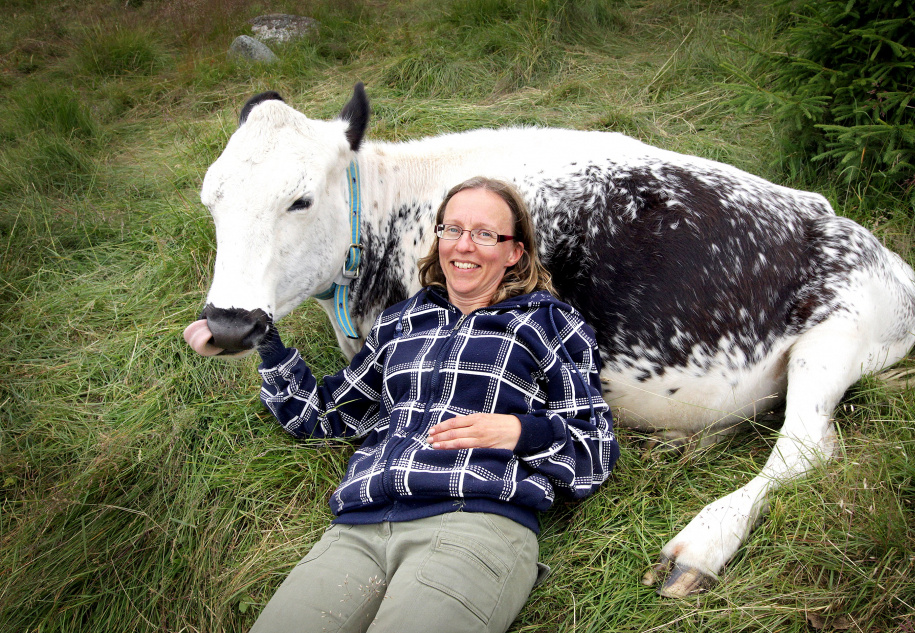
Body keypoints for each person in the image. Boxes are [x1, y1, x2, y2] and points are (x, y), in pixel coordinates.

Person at [183, 177, 619, 633]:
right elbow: (327, 414)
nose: (463, 245)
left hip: (474, 523)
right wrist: (265, 343)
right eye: (452, 229)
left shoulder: (550, 323)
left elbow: (595, 449)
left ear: (515, 252)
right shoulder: (402, 321)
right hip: (357, 528)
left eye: (485, 234)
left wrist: (518, 432)